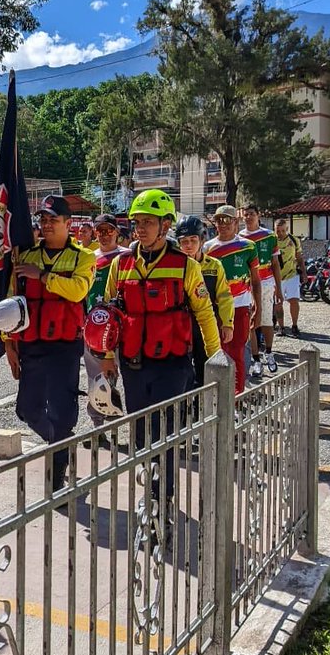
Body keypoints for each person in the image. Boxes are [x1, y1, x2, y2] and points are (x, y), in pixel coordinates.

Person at [100, 190, 221, 544]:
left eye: (148, 223)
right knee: (140, 435)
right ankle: (154, 490)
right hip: (133, 364)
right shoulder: (121, 265)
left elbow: (204, 314)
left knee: (163, 435)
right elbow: (109, 312)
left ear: (166, 225)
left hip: (172, 366)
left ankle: (158, 501)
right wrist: (107, 356)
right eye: (136, 222)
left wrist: (216, 359)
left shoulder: (187, 265)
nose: (140, 229)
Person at [4, 195, 95, 491]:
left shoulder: (83, 257)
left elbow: (78, 290)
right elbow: (11, 302)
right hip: (31, 344)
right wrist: (9, 343)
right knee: (26, 409)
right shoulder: (26, 256)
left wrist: (42, 276)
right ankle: (60, 445)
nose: (46, 225)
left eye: (53, 220)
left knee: (62, 412)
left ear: (68, 224)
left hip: (64, 346)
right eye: (42, 220)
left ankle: (57, 476)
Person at [174, 216, 235, 389]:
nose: (189, 245)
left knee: (206, 368)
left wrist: (227, 323)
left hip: (206, 325)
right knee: (181, 372)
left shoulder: (215, 266)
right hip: (180, 327)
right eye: (184, 241)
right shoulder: (174, 266)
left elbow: (224, 296)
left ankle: (206, 406)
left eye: (193, 240)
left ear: (202, 240)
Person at [204, 206, 259, 394]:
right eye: (219, 220)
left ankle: (235, 397)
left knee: (236, 354)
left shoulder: (248, 246)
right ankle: (216, 395)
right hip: (213, 309)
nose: (223, 224)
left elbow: (255, 279)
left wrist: (257, 304)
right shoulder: (206, 248)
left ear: (236, 222)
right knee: (214, 353)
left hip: (240, 307)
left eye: (227, 220)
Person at [83, 214, 129, 435]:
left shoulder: (127, 257)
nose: (103, 235)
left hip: (124, 329)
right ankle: (97, 428)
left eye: (108, 230)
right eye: (99, 231)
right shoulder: (88, 258)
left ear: (117, 233)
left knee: (125, 378)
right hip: (94, 330)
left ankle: (118, 425)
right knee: (96, 379)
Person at [240, 205, 282, 378]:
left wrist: (278, 288)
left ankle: (269, 353)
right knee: (251, 322)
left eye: (251, 214)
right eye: (246, 215)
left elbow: (275, 263)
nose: (248, 217)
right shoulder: (240, 237)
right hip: (246, 284)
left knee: (266, 321)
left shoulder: (269, 236)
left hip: (266, 282)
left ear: (258, 215)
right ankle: (256, 360)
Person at [274, 218, 304, 337]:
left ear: (286, 229)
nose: (280, 233)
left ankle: (295, 326)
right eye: (278, 231)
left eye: (282, 230)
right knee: (278, 303)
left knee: (294, 301)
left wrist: (304, 273)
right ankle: (281, 328)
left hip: (292, 275)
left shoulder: (294, 240)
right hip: (276, 277)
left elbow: (299, 257)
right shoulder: (272, 241)